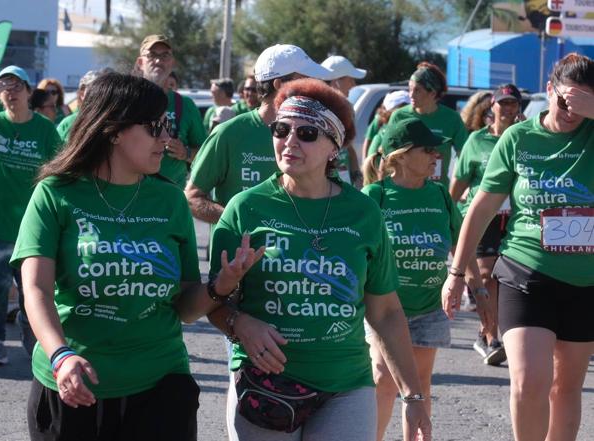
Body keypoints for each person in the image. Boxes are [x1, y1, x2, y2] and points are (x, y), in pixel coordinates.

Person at [10, 71, 263, 441]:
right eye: (154, 127)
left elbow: (185, 307)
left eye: (166, 126)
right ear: (113, 129)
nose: (166, 138)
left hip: (161, 382)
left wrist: (220, 286)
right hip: (73, 385)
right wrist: (60, 355)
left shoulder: (170, 200)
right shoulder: (56, 194)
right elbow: (35, 290)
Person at [208, 78, 431, 441]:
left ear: (334, 147)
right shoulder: (245, 208)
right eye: (281, 130)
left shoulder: (363, 213)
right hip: (264, 383)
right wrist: (238, 323)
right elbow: (213, 300)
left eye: (307, 133)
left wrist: (414, 394)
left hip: (345, 384)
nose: (290, 141)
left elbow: (386, 312)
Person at [443, 53, 594, 441]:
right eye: (564, 100)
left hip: (585, 282)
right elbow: (480, 209)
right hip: (526, 270)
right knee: (530, 381)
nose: (571, 112)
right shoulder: (518, 137)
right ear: (548, 92)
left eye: (583, 103)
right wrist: (457, 273)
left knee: (566, 388)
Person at [362, 117, 491, 441]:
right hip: (383, 310)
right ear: (401, 155)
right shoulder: (374, 196)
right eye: (428, 150)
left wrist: (477, 289)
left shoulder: (438, 195)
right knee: (384, 380)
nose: (437, 156)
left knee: (419, 384)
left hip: (428, 308)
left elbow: (460, 244)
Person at [0, 65, 62, 364]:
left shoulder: (44, 129)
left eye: (17, 85)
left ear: (30, 92)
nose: (11, 91)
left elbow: (58, 169)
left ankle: (32, 346)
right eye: (5, 86)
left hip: (30, 227)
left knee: (30, 289)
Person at [185, 44, 332, 226]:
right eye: (304, 80)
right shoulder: (229, 133)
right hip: (238, 253)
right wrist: (243, 220)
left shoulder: (312, 135)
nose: (312, 87)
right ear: (280, 85)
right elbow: (192, 198)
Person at [451, 84, 523, 366]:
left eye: (512, 104)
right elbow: (459, 182)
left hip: (514, 216)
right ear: (491, 106)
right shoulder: (476, 141)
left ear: (519, 108)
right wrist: (447, 212)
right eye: (502, 103)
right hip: (485, 215)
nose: (507, 109)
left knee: (510, 279)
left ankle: (510, 333)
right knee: (486, 273)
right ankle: (489, 336)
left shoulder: (524, 137)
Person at [135, 34, 206, 187]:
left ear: (172, 63)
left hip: (171, 198)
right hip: (130, 195)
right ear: (140, 62)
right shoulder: (128, 99)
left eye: (165, 55)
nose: (159, 61)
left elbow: (204, 153)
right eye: (152, 55)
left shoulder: (185, 105)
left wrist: (185, 152)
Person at [388, 62, 468, 188]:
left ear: (432, 93)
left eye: (417, 90)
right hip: (404, 189)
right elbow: (388, 155)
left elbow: (464, 156)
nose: (411, 95)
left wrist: (460, 187)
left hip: (437, 192)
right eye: (409, 89)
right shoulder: (399, 116)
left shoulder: (452, 118)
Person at [322, 55, 367, 186]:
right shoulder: (315, 108)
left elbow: (349, 147)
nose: (353, 84)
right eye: (351, 79)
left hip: (344, 182)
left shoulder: (348, 108)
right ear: (337, 81)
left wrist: (357, 177)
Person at [56, 70, 102, 143]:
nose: (98, 94)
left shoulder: (112, 123)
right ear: (82, 93)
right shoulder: (67, 123)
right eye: (93, 89)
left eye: (102, 90)